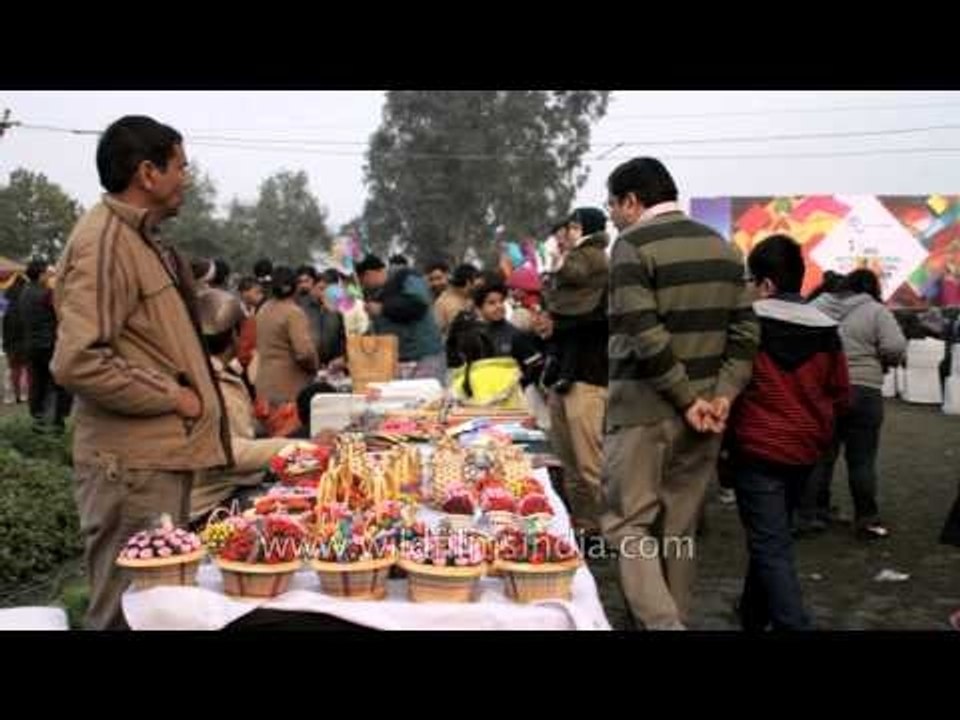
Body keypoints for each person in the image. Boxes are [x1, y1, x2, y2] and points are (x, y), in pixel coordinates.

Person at [51, 115, 231, 630]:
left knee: (160, 609)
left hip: (154, 461)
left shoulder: (142, 240)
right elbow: (78, 359)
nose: (187, 178)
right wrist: (173, 396)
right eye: (181, 166)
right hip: (130, 469)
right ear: (147, 173)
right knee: (127, 612)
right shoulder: (104, 242)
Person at [603, 157, 760, 630]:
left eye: (612, 204)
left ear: (632, 201)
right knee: (678, 528)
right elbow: (746, 334)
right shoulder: (724, 248)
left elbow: (646, 335)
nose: (611, 215)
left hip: (644, 411)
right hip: (708, 415)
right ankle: (675, 615)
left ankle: (663, 623)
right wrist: (722, 397)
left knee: (627, 525)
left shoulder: (631, 245)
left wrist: (686, 400)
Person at [728, 235, 850, 631]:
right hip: (805, 451)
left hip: (757, 448)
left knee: (770, 542)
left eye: (750, 279)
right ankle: (752, 613)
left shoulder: (748, 324)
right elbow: (840, 392)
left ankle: (792, 623)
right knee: (772, 537)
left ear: (765, 284)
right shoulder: (827, 329)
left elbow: (734, 384)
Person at [803, 268, 907, 539]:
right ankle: (866, 519)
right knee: (862, 459)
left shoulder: (815, 306)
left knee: (821, 456)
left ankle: (813, 513)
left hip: (823, 390)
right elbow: (895, 347)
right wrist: (882, 360)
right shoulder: (875, 310)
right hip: (864, 390)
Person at [190, 288, 291, 523]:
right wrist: (295, 447)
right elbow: (229, 452)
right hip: (213, 501)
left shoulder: (217, 372)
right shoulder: (206, 381)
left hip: (232, 488)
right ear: (236, 333)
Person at [543, 207, 610, 394]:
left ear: (588, 229)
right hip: (572, 310)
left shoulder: (591, 253)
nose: (569, 232)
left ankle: (566, 374)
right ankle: (558, 370)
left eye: (575, 228)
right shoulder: (580, 251)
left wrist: (561, 264)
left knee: (572, 338)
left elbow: (577, 273)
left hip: (583, 311)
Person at [355, 253, 445, 382]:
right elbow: (378, 328)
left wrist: (383, 308)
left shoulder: (406, 276)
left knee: (426, 399)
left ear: (369, 274)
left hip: (424, 356)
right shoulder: (377, 294)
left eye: (363, 282)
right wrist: (355, 348)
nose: (364, 287)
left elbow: (418, 304)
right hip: (399, 359)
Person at [254, 265, 320, 407]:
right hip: (289, 388)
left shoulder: (263, 309)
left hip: (264, 384)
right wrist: (315, 368)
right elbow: (304, 353)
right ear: (295, 287)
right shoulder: (293, 313)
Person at [19, 259, 73, 428]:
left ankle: (37, 420)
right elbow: (62, 312)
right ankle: (56, 422)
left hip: (30, 345)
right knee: (57, 384)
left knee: (36, 384)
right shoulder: (46, 294)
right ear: (41, 274)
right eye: (46, 273)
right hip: (48, 345)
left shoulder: (24, 292)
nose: (49, 276)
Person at [2, 275, 29, 404]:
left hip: (10, 340)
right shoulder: (25, 298)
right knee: (24, 367)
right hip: (24, 338)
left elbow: (3, 320)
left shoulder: (6, 298)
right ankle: (23, 394)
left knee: (11, 368)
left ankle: (10, 395)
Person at [434, 263, 480, 338]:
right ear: (468, 282)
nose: (478, 286)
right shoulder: (447, 303)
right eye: (476, 283)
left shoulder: (468, 298)